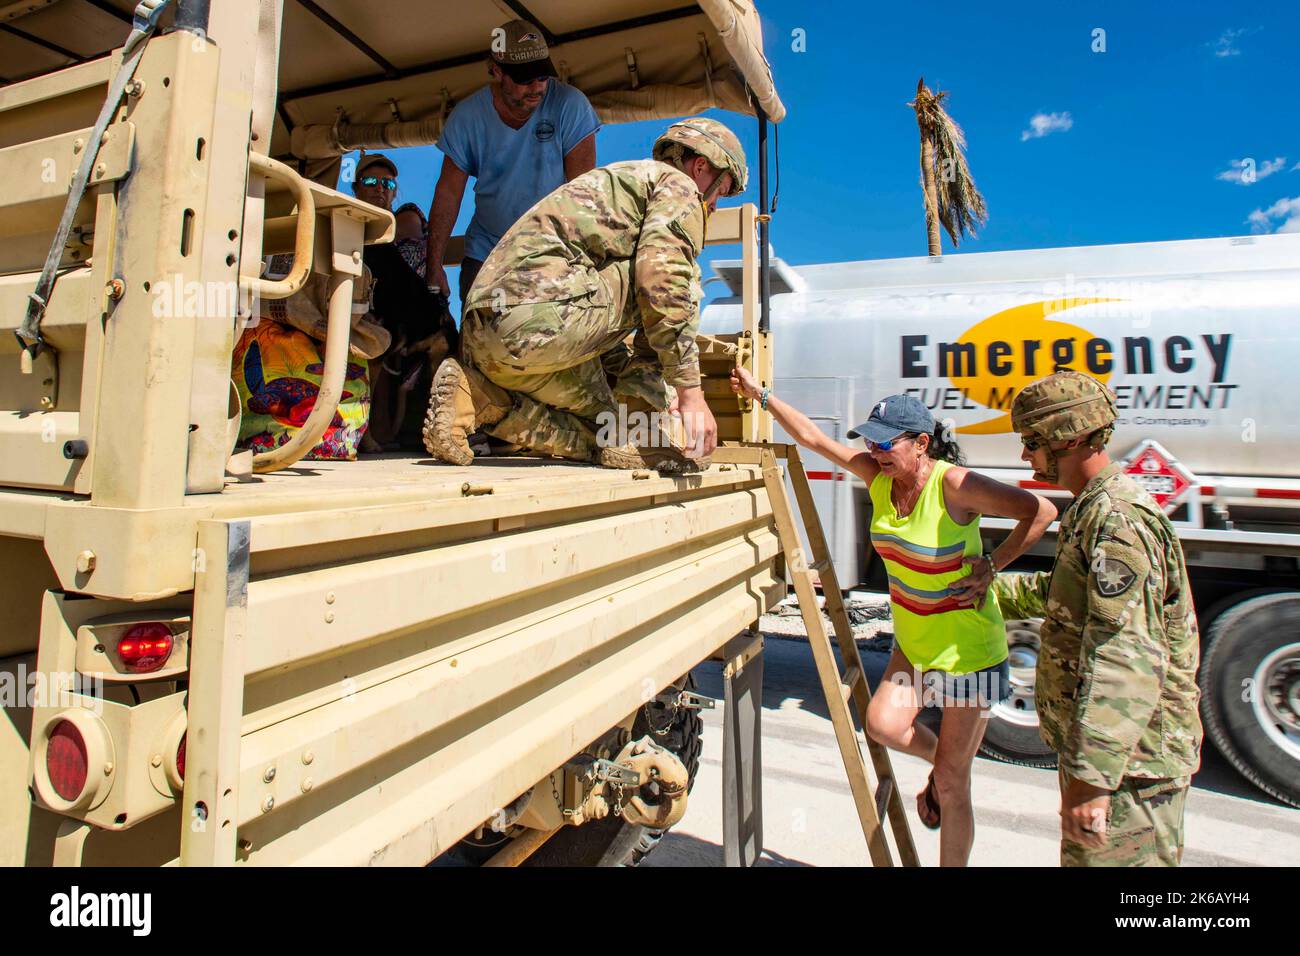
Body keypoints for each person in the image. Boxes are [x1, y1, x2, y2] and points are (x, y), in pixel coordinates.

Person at [728, 375, 1057, 866]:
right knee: (882, 724)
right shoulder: (877, 478)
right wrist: (762, 396)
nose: (875, 450)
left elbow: (1040, 510)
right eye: (870, 441)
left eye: (886, 442)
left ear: (921, 443)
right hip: (915, 645)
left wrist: (991, 567)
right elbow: (814, 439)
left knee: (953, 784)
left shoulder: (954, 485)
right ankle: (943, 764)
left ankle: (948, 798)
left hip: (969, 654)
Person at [422, 118, 747, 473]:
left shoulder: (620, 181)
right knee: (679, 277)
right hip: (539, 317)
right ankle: (640, 428)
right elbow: (662, 283)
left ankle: (479, 400)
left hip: (486, 333)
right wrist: (690, 393)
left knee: (605, 433)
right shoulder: (680, 186)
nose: (713, 205)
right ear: (701, 166)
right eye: (720, 191)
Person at [990, 371, 1202, 867]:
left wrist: (1093, 780)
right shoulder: (1092, 508)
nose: (1026, 455)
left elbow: (1126, 658)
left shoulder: (1117, 519)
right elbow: (1069, 596)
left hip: (1132, 765)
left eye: (1032, 442)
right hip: (1118, 759)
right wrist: (987, 589)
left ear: (1073, 437)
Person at [425, 19, 600, 305]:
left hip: (553, 254)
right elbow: (448, 194)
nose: (536, 87)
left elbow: (583, 192)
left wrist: (582, 263)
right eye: (524, 79)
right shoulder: (467, 117)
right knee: (480, 345)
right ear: (496, 71)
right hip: (487, 254)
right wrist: (434, 266)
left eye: (542, 76)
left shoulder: (570, 105)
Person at [349, 154, 457, 449]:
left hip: (413, 326)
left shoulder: (394, 238)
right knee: (376, 343)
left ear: (394, 192)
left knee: (444, 344)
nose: (379, 188)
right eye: (371, 181)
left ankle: (440, 430)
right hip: (369, 321)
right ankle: (368, 432)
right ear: (356, 187)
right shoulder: (347, 227)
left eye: (387, 183)